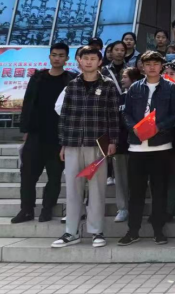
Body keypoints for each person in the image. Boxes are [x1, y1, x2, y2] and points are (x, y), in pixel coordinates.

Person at [52, 46, 119, 249]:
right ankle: (71, 232)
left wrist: (113, 141)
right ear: (79, 61)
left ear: (100, 62)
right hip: (73, 143)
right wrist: (63, 143)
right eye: (85, 58)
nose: (89, 62)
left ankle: (96, 231)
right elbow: (64, 116)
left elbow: (113, 115)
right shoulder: (72, 85)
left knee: (97, 189)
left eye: (93, 58)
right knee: (73, 189)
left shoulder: (108, 85)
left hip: (98, 143)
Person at [118, 51, 175, 247]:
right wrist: (134, 128)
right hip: (136, 147)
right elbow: (126, 113)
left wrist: (158, 127)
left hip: (161, 146)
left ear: (161, 66)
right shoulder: (134, 87)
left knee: (159, 191)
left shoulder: (170, 87)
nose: (152, 67)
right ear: (142, 67)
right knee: (135, 192)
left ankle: (158, 230)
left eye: (156, 63)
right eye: (148, 64)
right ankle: (133, 230)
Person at [12, 43, 76, 225]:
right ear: (49, 57)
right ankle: (26, 209)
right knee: (28, 174)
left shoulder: (71, 79)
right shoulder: (38, 77)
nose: (57, 58)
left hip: (58, 136)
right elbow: (28, 103)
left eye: (61, 55)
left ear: (67, 58)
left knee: (54, 175)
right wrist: (25, 130)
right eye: (54, 55)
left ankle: (47, 208)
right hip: (36, 133)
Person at [113, 67, 142, 223]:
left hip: (140, 145)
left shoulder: (143, 96)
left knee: (138, 180)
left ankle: (138, 207)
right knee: (121, 179)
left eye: (125, 76)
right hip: (121, 145)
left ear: (134, 79)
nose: (122, 79)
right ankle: (123, 208)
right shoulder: (119, 98)